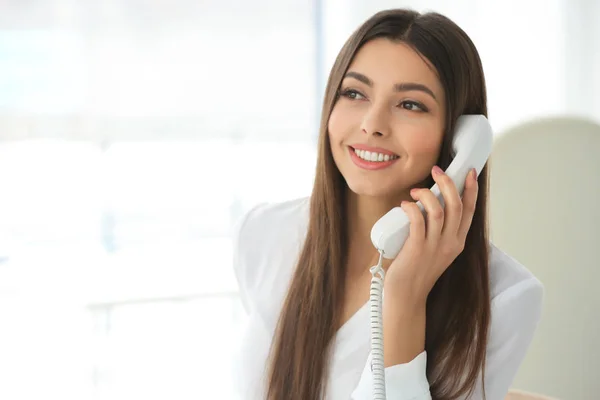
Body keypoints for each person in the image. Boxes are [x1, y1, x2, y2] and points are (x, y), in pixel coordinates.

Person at [231, 8, 543, 400]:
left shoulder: (505, 299)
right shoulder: (264, 234)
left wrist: (404, 297)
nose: (372, 123)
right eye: (355, 93)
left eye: (410, 104)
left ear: (462, 137)